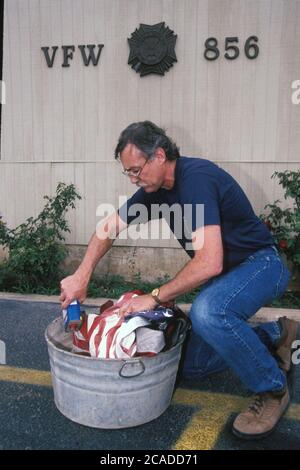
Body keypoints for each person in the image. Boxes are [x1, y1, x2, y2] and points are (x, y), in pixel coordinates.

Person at [60, 121, 298, 440]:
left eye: (136, 170)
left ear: (159, 155)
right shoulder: (154, 192)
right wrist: (81, 274)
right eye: (127, 173)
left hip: (263, 264)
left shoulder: (196, 180)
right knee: (189, 365)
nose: (133, 179)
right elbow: (108, 228)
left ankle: (272, 390)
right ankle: (277, 332)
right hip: (230, 275)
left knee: (209, 312)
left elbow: (209, 262)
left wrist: (155, 296)